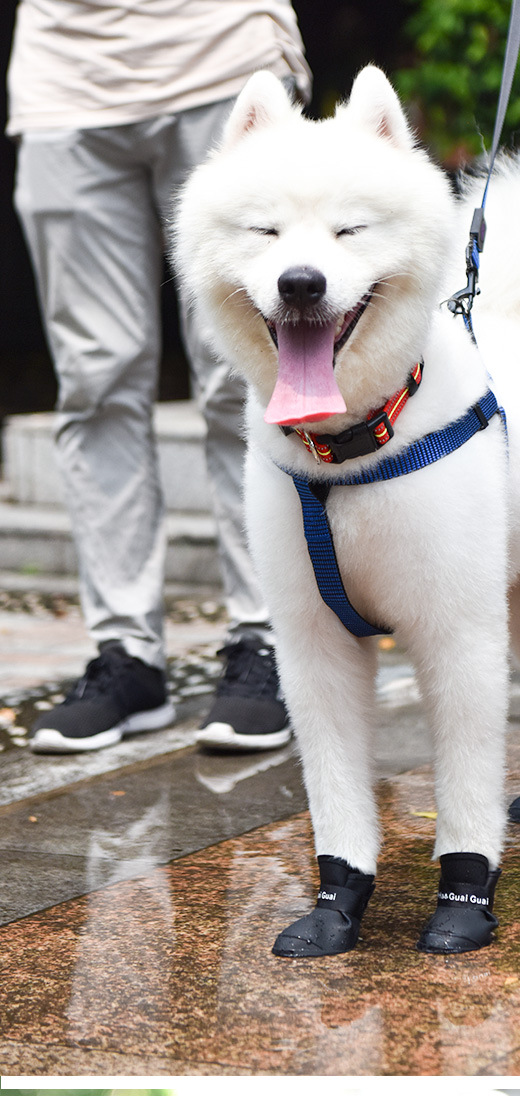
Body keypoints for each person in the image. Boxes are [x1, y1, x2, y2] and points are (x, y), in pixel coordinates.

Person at [6, 0, 311, 754]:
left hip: (223, 57)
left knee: (240, 371)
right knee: (93, 381)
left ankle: (268, 639)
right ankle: (127, 655)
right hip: (64, 78)